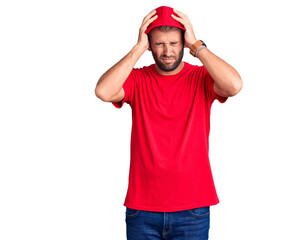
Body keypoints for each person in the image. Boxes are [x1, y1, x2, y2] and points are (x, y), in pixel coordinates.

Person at [95, 6, 242, 240]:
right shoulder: (137, 79)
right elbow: (103, 91)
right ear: (150, 45)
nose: (167, 51)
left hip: (193, 208)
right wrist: (137, 48)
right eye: (159, 44)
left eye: (174, 43)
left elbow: (234, 85)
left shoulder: (201, 78)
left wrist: (198, 46)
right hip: (142, 209)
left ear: (183, 43)